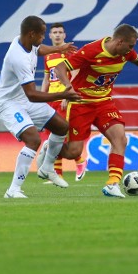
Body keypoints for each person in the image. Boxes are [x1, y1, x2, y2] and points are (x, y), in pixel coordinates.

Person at [52, 24, 138, 198]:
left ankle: (112, 184)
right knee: (73, 152)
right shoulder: (91, 51)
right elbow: (59, 67)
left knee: (120, 138)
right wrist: (67, 87)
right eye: (130, 46)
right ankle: (50, 148)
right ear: (119, 42)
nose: (132, 50)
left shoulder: (125, 52)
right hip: (81, 103)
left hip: (104, 103)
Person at [0, 15, 82, 199]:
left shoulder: (23, 41)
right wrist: (63, 94)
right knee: (33, 140)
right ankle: (13, 190)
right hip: (7, 103)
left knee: (61, 126)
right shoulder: (18, 59)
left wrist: (59, 48)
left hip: (22, 99)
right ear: (31, 34)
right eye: (41, 35)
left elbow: (39, 49)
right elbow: (32, 94)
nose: (43, 38)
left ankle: (47, 167)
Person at [38, 22, 88, 183]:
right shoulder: (48, 55)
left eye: (60, 32)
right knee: (52, 138)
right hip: (51, 100)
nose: (58, 35)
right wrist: (40, 98)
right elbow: (47, 79)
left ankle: (79, 160)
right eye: (55, 32)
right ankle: (56, 174)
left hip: (63, 99)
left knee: (60, 137)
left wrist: (68, 95)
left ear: (65, 35)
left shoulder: (69, 53)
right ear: (50, 36)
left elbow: (74, 76)